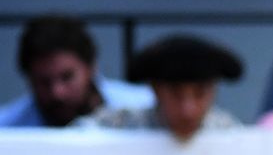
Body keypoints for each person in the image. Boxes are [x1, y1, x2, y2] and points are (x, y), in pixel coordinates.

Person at [0, 15, 153, 127]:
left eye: (67, 77)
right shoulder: (6, 128)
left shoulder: (148, 106)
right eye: (44, 82)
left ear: (92, 67)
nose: (57, 93)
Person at [82, 34, 243, 140]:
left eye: (200, 94)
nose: (188, 110)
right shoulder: (117, 125)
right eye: (176, 95)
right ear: (155, 89)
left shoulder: (230, 133)